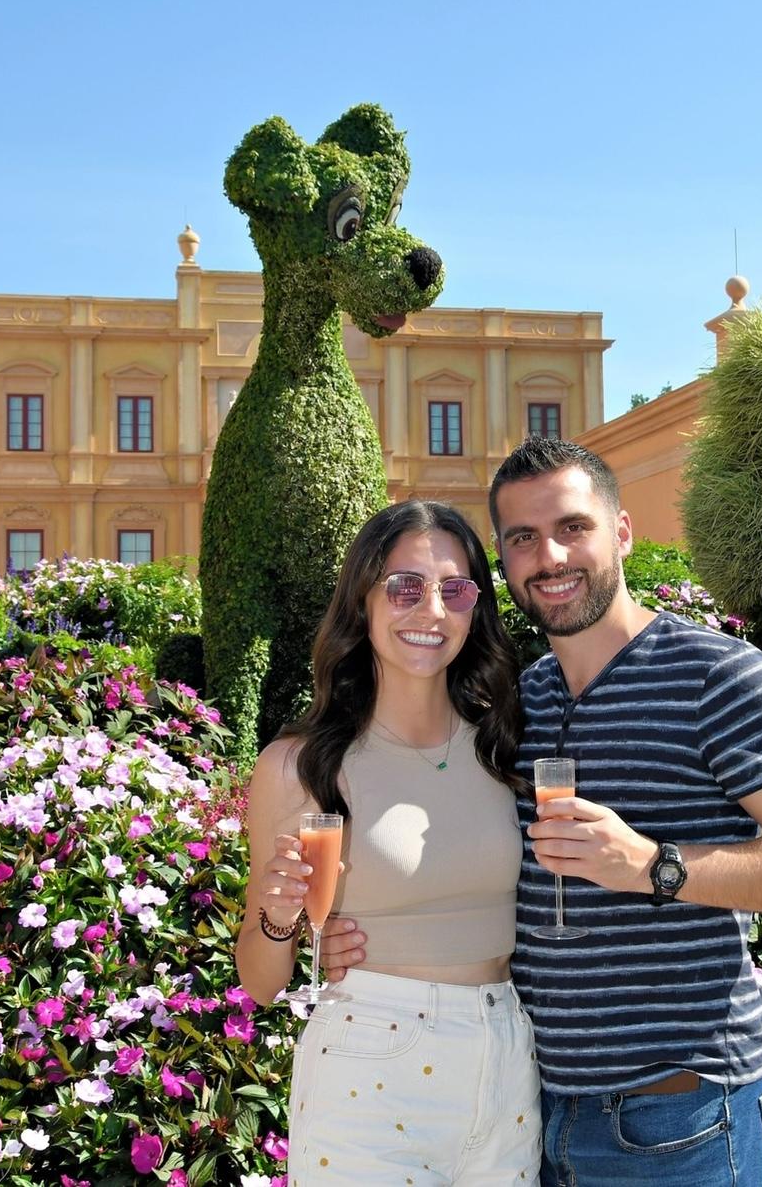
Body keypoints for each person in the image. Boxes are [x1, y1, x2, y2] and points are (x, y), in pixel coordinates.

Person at [324, 439, 762, 1187]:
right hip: (532, 1112)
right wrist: (356, 942)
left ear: (621, 531)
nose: (549, 556)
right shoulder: (518, 704)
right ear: (505, 564)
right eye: (521, 538)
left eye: (572, 527)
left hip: (682, 1115)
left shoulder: (718, 675)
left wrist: (653, 864)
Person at [236, 499, 541, 1185]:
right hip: (369, 1071)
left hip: (508, 1059)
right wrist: (282, 917)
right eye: (404, 586)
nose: (430, 610)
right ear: (363, 600)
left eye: (455, 589)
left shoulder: (507, 746)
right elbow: (260, 982)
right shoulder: (298, 765)